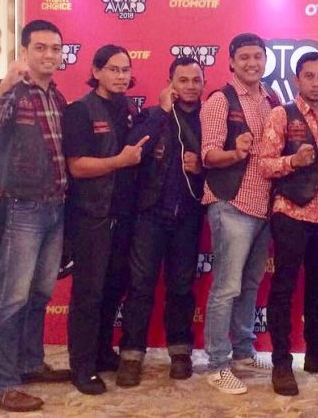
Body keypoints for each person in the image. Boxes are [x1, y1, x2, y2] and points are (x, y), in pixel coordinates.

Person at [0, 20, 69, 412]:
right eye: (40, 47)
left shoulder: (57, 97)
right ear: (24, 51)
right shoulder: (10, 92)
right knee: (9, 299)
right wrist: (3, 84)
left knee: (39, 293)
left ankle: (29, 363)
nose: (49, 55)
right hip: (21, 208)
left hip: (55, 207)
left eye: (55, 48)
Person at [116, 56, 205, 387]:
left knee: (181, 288)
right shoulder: (153, 115)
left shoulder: (209, 119)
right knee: (140, 287)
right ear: (171, 84)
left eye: (196, 80)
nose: (190, 86)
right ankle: (131, 355)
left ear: (203, 84)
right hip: (149, 215)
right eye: (183, 80)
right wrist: (163, 111)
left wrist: (201, 168)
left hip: (188, 216)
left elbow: (224, 168)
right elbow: (132, 151)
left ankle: (180, 352)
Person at [259, 51, 318, 396]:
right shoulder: (281, 114)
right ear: (297, 79)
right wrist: (293, 161)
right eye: (309, 76)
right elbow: (264, 165)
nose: (316, 83)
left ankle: (317, 354)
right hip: (291, 212)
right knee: (283, 288)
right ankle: (281, 363)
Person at [201, 33, 280, 394]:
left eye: (257, 56)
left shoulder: (271, 98)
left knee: (249, 285)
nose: (252, 63)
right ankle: (218, 365)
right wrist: (236, 152)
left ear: (265, 60)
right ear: (231, 62)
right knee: (227, 287)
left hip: (264, 207)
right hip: (231, 203)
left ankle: (243, 353)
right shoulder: (220, 100)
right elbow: (208, 156)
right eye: (244, 57)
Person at [64, 45, 145, 395]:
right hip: (91, 216)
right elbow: (77, 166)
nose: (121, 76)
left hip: (123, 216)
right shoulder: (80, 111)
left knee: (113, 288)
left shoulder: (127, 109)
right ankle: (81, 367)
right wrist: (119, 162)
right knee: (88, 294)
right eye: (113, 69)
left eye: (125, 70)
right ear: (96, 72)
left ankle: (100, 353)